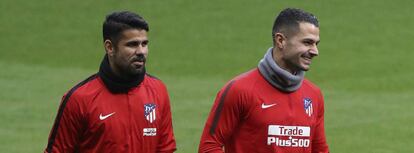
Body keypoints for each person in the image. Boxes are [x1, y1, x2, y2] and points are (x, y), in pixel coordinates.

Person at [199, 8, 329, 153]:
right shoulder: (239, 90)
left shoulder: (313, 95)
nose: (315, 51)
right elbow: (209, 147)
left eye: (316, 44)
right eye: (307, 42)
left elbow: (320, 150)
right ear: (281, 40)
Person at [45, 11, 176, 153]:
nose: (141, 51)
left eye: (144, 44)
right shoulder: (79, 99)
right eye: (132, 45)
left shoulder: (158, 90)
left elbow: (165, 149)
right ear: (110, 47)